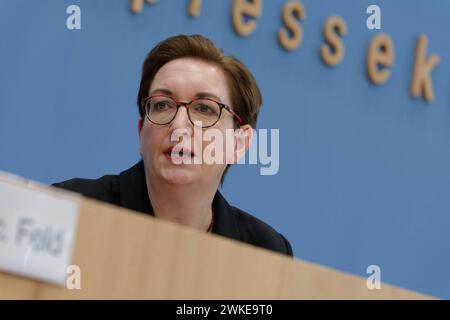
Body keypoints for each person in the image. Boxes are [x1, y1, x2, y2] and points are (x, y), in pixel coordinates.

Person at [53, 34, 293, 256]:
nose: (179, 126)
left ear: (238, 144)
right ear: (141, 132)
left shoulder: (265, 251)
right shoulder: (71, 207)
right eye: (162, 105)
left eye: (204, 109)